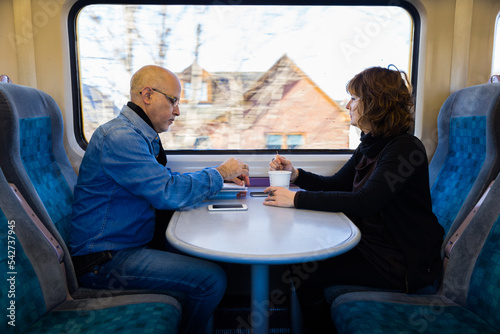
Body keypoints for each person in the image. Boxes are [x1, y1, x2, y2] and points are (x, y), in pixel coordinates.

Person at [70, 65, 250, 334]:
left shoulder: (141, 136)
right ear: (147, 95)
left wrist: (217, 180)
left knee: (218, 258)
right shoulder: (120, 138)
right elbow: (167, 191)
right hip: (104, 260)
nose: (177, 111)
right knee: (211, 280)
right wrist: (220, 172)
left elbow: (162, 183)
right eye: (173, 100)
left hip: (125, 247)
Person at [263, 66, 444, 332]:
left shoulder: (404, 148)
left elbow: (364, 202)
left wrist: (295, 200)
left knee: (305, 270)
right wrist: (296, 175)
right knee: (303, 256)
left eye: (355, 98)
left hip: (400, 261)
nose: (348, 104)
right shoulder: (370, 145)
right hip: (372, 246)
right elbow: (337, 185)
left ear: (376, 103)